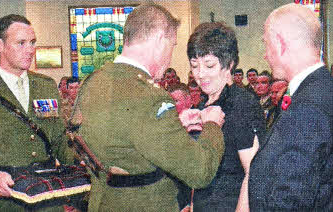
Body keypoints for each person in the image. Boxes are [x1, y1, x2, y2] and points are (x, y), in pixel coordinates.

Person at [73, 3, 225, 211]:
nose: (170, 56)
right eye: (172, 45)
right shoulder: (151, 97)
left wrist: (174, 126)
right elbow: (199, 172)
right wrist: (212, 125)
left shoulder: (92, 82)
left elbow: (119, 139)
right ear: (160, 40)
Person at [249, 3, 333, 211]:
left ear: (280, 44)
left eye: (266, 44)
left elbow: (290, 200)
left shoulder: (308, 108)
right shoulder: (324, 88)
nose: (265, 55)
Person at [0, 14, 74, 211]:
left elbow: (58, 137)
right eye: (21, 43)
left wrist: (83, 165)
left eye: (32, 42)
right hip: (6, 199)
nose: (30, 50)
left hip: (47, 196)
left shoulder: (46, 86)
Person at [185, 21, 266, 211]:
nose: (200, 74)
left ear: (228, 65)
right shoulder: (203, 103)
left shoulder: (242, 104)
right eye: (194, 65)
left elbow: (253, 172)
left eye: (209, 65)